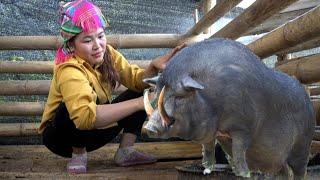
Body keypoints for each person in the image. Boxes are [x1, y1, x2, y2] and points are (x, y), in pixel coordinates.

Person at [38, 0, 185, 174]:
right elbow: (85, 117)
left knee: (143, 89)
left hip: (94, 133)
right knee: (69, 109)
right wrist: (141, 103)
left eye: (100, 36)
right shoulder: (69, 69)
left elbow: (134, 79)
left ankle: (125, 152)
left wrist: (153, 67)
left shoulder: (107, 53)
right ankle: (78, 155)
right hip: (61, 139)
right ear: (71, 44)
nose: (97, 45)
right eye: (87, 40)